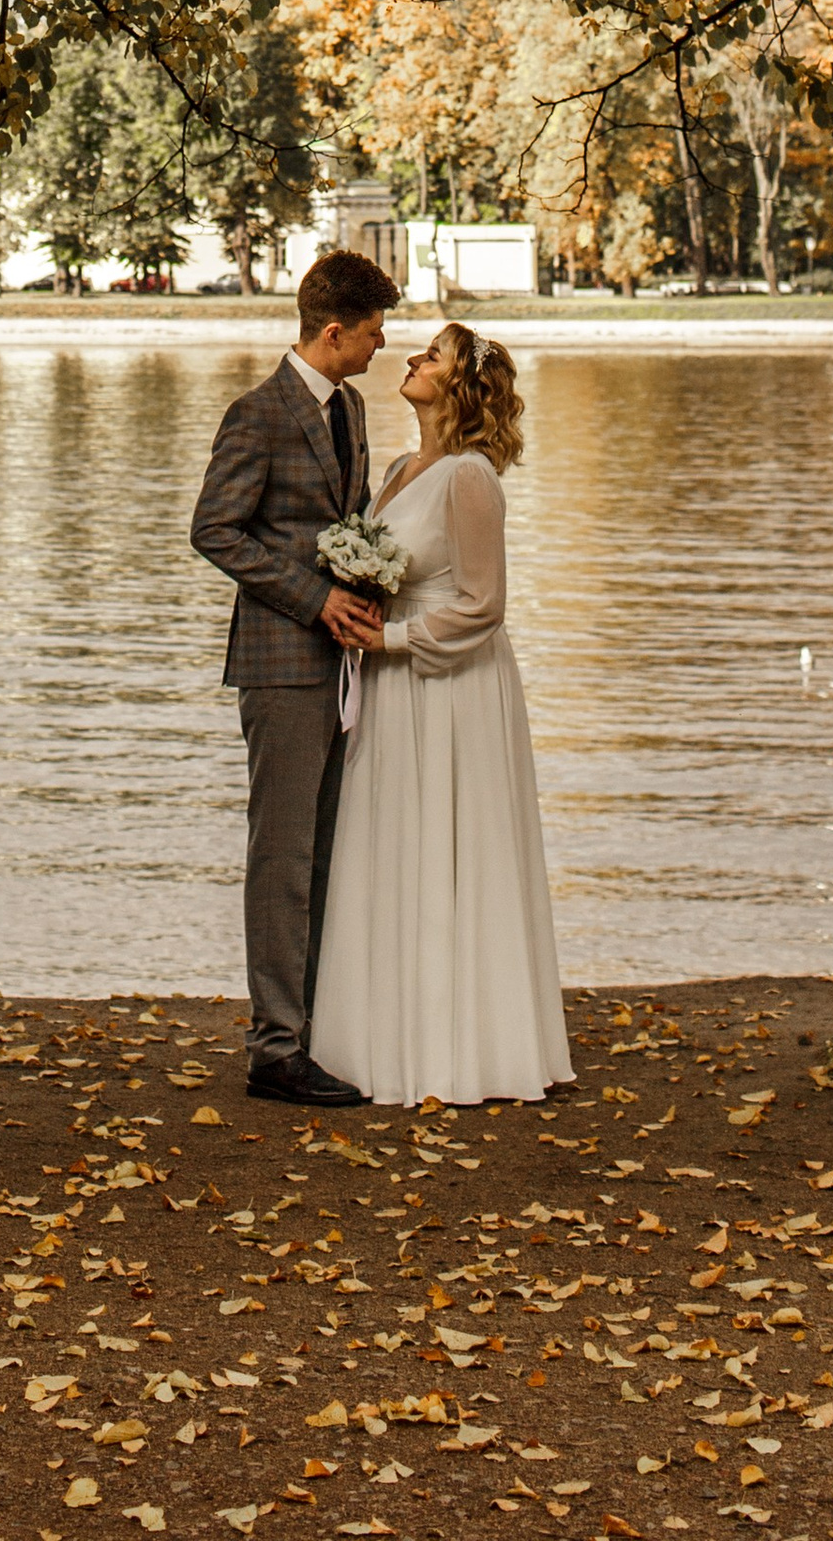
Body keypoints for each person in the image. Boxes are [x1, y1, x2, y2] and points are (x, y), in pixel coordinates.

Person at [307, 321, 572, 1106]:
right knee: (394, 844)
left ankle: (468, 1046)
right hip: (392, 687)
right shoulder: (396, 468)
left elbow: (483, 607)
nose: (414, 360)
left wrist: (388, 636)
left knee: (452, 848)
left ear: (459, 387)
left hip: (450, 689)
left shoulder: (469, 478)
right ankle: (382, 1038)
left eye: (434, 356)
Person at [190, 247, 403, 1104]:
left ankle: (314, 1028)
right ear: (334, 330)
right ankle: (274, 1048)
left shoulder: (349, 406)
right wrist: (316, 601)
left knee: (323, 855)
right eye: (376, 331)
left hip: (342, 664)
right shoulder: (259, 413)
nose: (384, 345)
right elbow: (215, 529)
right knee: (280, 857)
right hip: (281, 665)